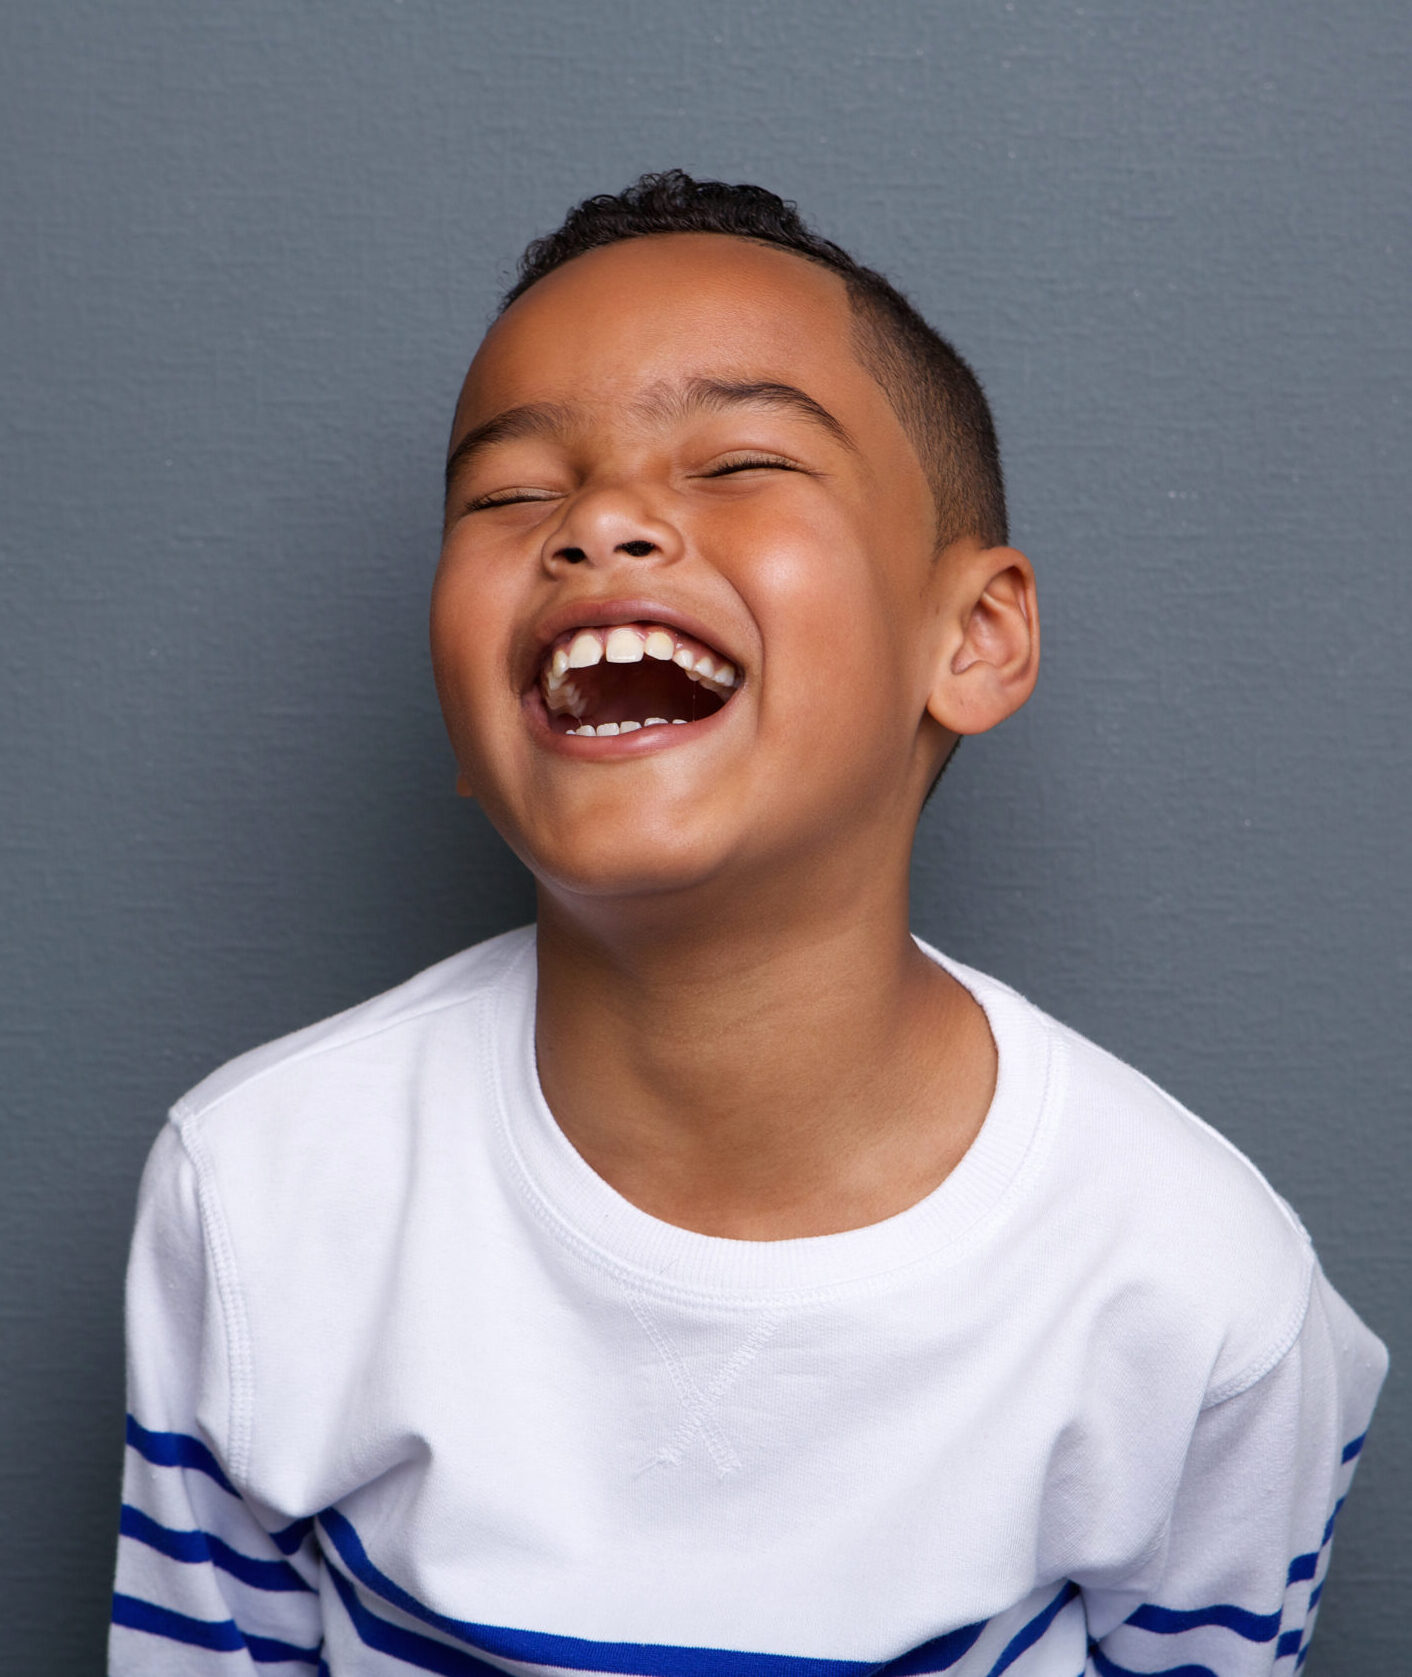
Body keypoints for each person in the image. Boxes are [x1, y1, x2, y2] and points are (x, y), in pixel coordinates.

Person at [109, 172, 1385, 1677]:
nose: (602, 523)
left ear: (973, 639)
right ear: (460, 707)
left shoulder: (1197, 1293)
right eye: (514, 493)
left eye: (740, 458)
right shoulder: (255, 1199)